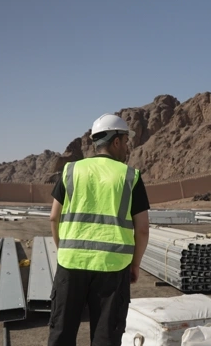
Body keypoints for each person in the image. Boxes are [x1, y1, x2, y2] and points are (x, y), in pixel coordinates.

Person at [47, 113, 151, 346]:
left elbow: (54, 218)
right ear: (116, 142)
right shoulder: (130, 177)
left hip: (71, 264)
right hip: (113, 268)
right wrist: (134, 265)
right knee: (106, 336)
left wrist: (64, 251)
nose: (127, 148)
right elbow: (142, 229)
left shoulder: (70, 171)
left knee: (61, 332)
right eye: (126, 142)